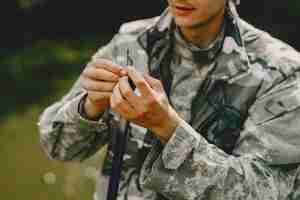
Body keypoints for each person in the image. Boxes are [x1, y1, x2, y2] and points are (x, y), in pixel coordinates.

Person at [38, 0, 300, 199]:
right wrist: (90, 107)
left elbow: (271, 191)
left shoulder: (282, 72)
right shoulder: (129, 42)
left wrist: (168, 128)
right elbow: (57, 146)